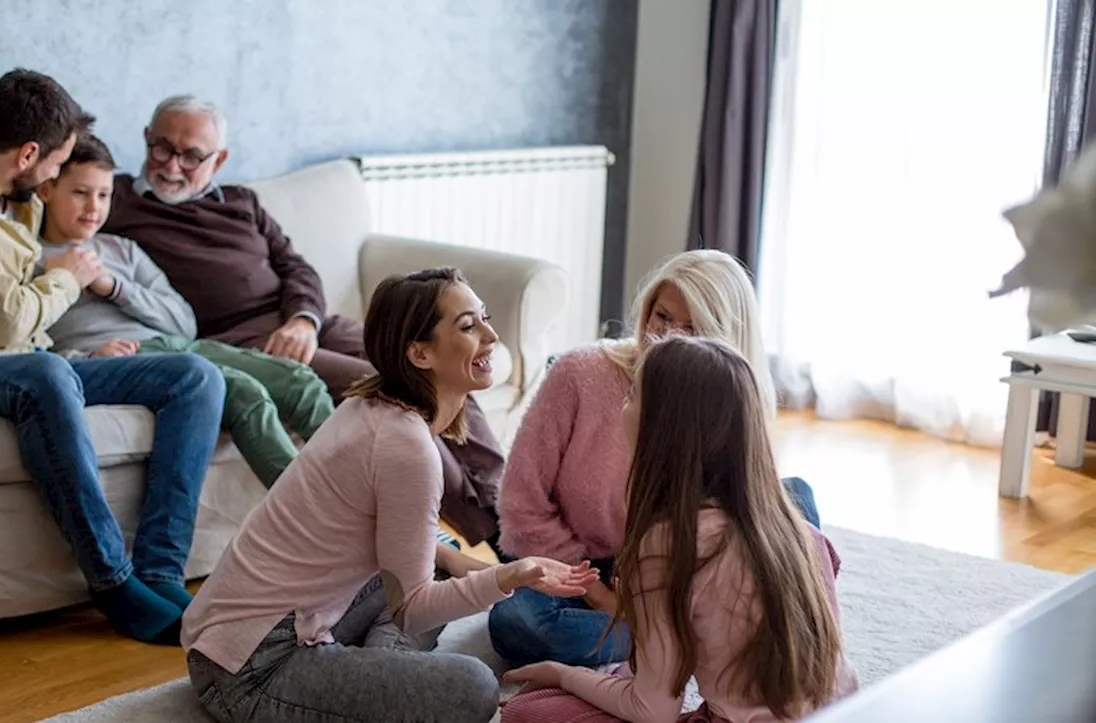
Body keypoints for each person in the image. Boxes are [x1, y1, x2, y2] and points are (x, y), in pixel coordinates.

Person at [0, 68, 226, 644]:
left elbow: (22, 309)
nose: (59, 177)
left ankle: (161, 571)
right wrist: (66, 276)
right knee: (46, 370)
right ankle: (113, 581)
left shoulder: (10, 197)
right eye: (58, 166)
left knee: (194, 376)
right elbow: (5, 317)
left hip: (30, 363)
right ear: (28, 154)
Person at [180, 267, 599, 723]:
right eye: (468, 326)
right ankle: (387, 675)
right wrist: (510, 576)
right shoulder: (408, 449)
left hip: (239, 632)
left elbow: (394, 564)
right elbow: (414, 611)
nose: (491, 335)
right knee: (474, 686)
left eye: (484, 318)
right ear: (420, 353)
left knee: (432, 565)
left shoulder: (367, 404)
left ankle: (385, 673)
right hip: (250, 669)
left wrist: (452, 560)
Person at [101, 95, 505, 546]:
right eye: (162, 148)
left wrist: (304, 320)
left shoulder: (242, 202)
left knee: (452, 366)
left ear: (219, 160)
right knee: (406, 389)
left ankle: (508, 510)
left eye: (192, 155)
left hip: (309, 323)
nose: (173, 165)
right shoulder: (114, 201)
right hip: (244, 343)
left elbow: (298, 268)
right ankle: (493, 536)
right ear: (146, 140)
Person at [499, 335, 859, 723]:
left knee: (527, 710)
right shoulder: (799, 529)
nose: (622, 406)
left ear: (662, 426)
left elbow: (653, 711)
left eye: (632, 394)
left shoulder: (670, 543)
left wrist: (563, 674)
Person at [489, 249, 822, 668]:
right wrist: (602, 595)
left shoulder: (732, 397)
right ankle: (702, 640)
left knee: (795, 502)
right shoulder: (580, 374)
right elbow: (521, 501)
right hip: (584, 565)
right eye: (661, 317)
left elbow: (733, 523)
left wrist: (665, 594)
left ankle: (674, 636)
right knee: (517, 622)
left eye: (691, 328)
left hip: (678, 569)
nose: (666, 339)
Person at [36, 133, 333, 488]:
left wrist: (114, 287)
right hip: (127, 359)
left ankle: (354, 492)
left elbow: (183, 322)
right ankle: (313, 515)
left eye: (103, 195)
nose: (94, 208)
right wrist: (85, 356)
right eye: (80, 193)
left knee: (300, 382)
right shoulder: (30, 258)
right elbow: (24, 343)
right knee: (244, 392)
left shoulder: (122, 249)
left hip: (177, 345)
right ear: (46, 190)